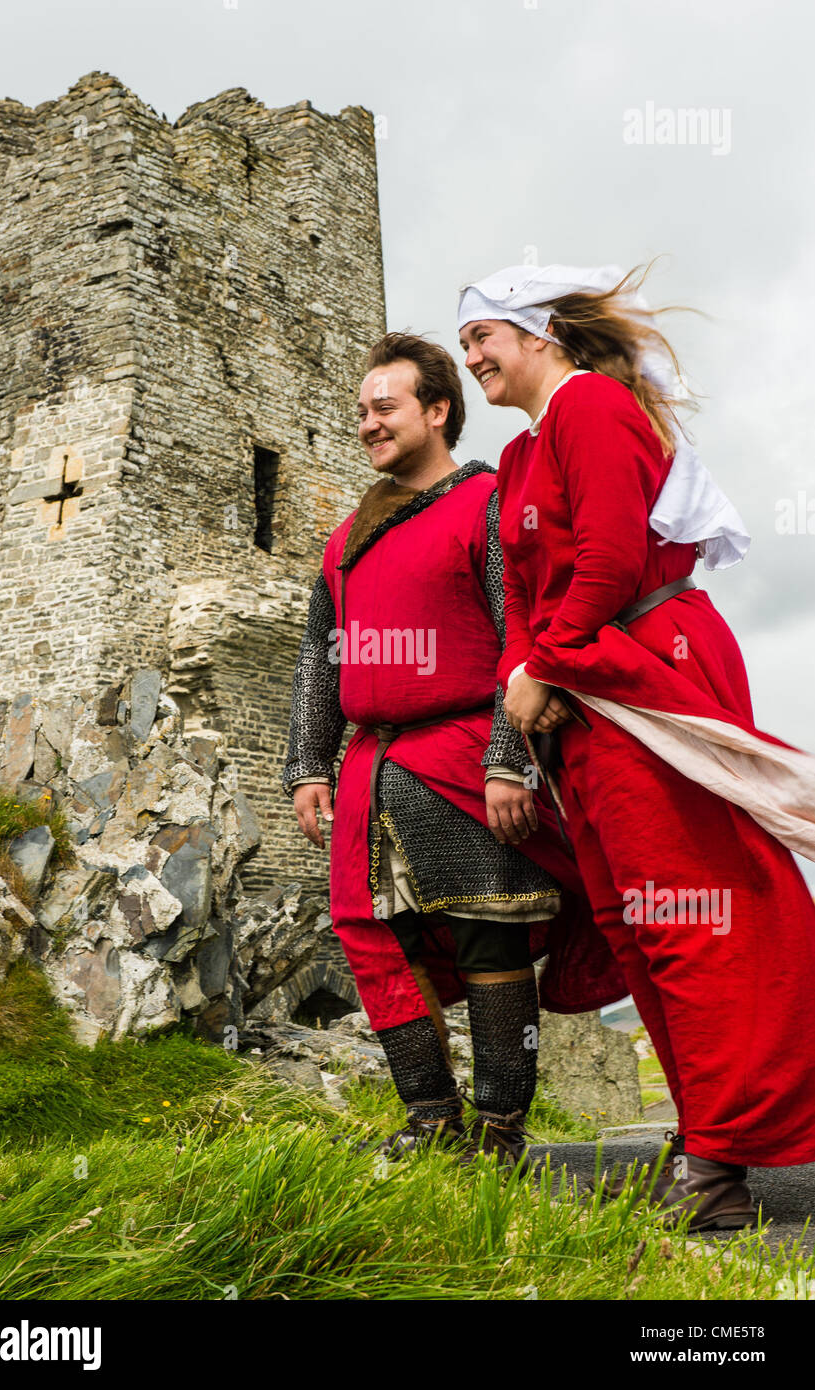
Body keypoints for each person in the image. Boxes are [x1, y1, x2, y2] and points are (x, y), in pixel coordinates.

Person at [458, 262, 815, 1228]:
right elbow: (530, 602)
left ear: (538, 334)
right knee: (633, 925)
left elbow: (612, 558)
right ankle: (711, 1135)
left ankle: (720, 1156)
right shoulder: (524, 455)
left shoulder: (591, 406)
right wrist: (528, 686)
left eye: (482, 337)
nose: (471, 357)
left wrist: (549, 662)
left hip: (642, 667)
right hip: (586, 699)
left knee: (690, 911)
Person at [283, 331, 626, 1166]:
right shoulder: (343, 541)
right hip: (370, 770)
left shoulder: (486, 504)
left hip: (467, 750)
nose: (367, 423)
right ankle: (432, 1120)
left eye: (385, 407)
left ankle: (501, 1132)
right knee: (373, 938)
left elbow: (524, 634)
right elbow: (317, 664)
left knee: (490, 935)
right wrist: (305, 766)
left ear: (437, 411)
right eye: (360, 410)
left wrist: (508, 755)